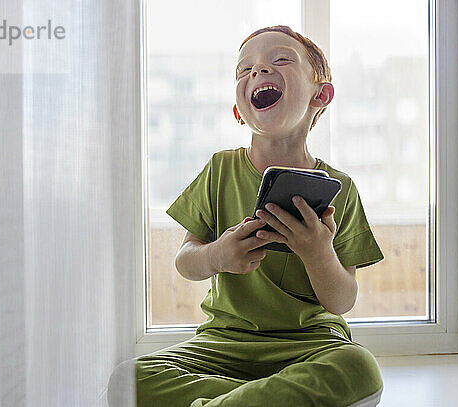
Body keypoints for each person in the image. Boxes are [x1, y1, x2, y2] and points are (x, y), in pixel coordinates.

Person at [108, 25, 385, 407]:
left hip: (310, 347)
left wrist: (317, 252)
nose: (257, 71)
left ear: (320, 95)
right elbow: (186, 262)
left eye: (281, 59)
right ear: (239, 111)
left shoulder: (340, 188)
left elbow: (342, 300)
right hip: (222, 345)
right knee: (129, 379)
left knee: (357, 367)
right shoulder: (219, 170)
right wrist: (217, 255)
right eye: (244, 70)